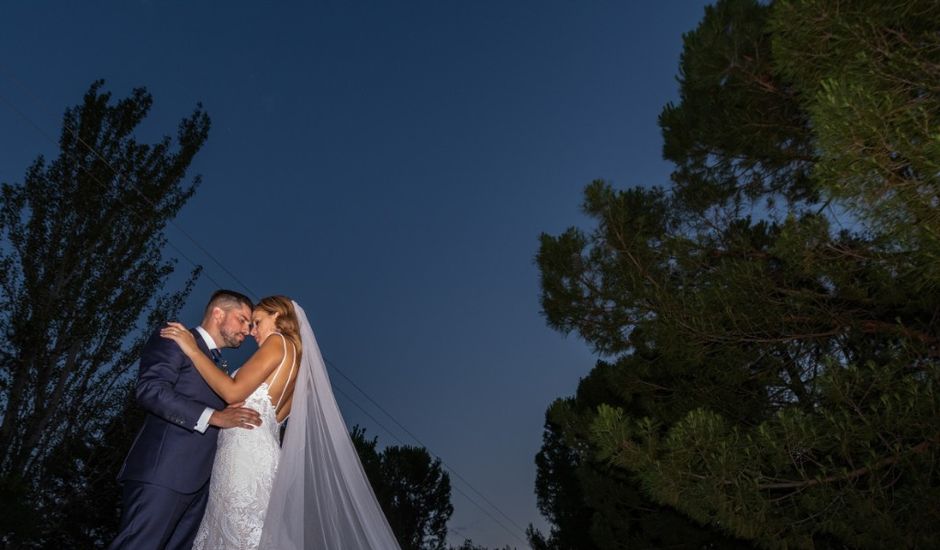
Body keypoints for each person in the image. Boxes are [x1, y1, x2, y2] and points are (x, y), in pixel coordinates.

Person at [162, 296, 402, 549]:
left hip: (244, 452)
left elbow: (233, 392)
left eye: (256, 322)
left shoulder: (277, 342)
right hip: (261, 450)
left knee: (242, 532)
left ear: (276, 316)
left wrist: (191, 349)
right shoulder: (298, 364)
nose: (252, 331)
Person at [110, 290, 262, 550]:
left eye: (250, 325)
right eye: (243, 320)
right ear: (218, 313)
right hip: (163, 473)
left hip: (200, 485)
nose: (247, 330)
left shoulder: (217, 364)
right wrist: (215, 417)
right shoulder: (175, 338)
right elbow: (151, 391)